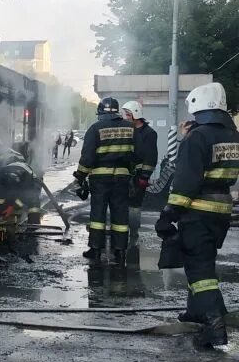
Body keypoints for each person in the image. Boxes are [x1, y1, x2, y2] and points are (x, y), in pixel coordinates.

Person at [155, 82, 239, 348]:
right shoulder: (232, 136)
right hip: (221, 210)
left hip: (198, 210)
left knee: (200, 270)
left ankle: (214, 327)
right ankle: (195, 312)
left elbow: (186, 181)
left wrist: (169, 213)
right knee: (202, 261)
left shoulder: (198, 137)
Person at [73, 97, 136, 265]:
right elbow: (136, 154)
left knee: (98, 214)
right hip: (123, 177)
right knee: (121, 214)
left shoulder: (95, 128)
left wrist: (80, 176)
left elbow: (87, 157)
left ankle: (95, 249)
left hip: (101, 179)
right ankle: (120, 251)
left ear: (100, 112)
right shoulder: (130, 128)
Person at [122, 101, 158, 247]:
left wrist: (144, 176)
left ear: (136, 115)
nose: (125, 117)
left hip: (138, 176)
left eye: (128, 114)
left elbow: (151, 157)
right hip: (124, 174)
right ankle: (122, 230)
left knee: (135, 205)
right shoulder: (127, 130)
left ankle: (133, 232)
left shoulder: (149, 134)